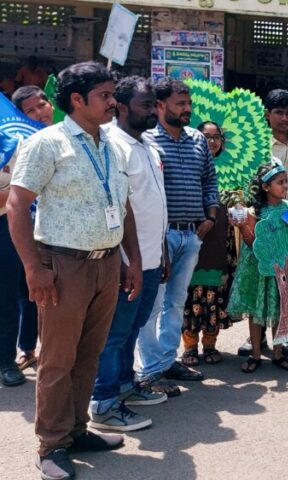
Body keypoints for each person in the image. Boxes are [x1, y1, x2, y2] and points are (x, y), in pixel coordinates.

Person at [7, 61, 141, 480]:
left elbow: (123, 206)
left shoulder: (114, 146)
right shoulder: (47, 143)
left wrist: (130, 259)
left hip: (105, 265)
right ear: (77, 100)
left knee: (88, 357)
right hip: (62, 265)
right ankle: (51, 443)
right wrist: (34, 267)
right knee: (58, 361)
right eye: (104, 95)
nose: (112, 102)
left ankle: (77, 429)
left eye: (112, 94)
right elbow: (16, 206)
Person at [89, 76, 169, 432]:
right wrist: (127, 262)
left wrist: (162, 250)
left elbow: (154, 202)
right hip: (126, 264)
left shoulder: (148, 146)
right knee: (114, 334)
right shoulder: (113, 146)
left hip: (151, 259)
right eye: (145, 105)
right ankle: (103, 402)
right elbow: (117, 208)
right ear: (121, 107)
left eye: (154, 104)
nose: (153, 111)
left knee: (133, 327)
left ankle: (123, 385)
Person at [137, 79, 218, 393]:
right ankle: (149, 370)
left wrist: (210, 216)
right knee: (153, 305)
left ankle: (167, 360)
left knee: (176, 303)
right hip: (159, 237)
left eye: (188, 103)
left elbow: (209, 181)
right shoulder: (146, 141)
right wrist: (156, 234)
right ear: (160, 105)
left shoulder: (198, 139)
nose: (187, 109)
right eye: (180, 104)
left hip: (191, 234)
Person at [229, 162, 288, 373]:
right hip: (259, 268)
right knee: (257, 311)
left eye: (286, 181)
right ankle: (255, 354)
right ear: (266, 187)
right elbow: (252, 243)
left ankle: (278, 353)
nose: (285, 185)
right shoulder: (253, 211)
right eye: (280, 182)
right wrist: (242, 227)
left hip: (283, 268)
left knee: (280, 309)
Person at [1, 86, 54, 378]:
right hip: (14, 227)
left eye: (42, 105)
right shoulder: (12, 143)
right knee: (13, 293)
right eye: (30, 111)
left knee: (44, 295)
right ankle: (11, 359)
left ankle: (40, 352)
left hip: (53, 232)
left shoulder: (67, 137)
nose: (39, 113)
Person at [183, 120, 237, 367]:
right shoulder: (189, 166)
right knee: (190, 294)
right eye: (206, 137)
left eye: (216, 138)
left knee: (214, 293)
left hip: (220, 242)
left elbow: (240, 201)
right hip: (195, 236)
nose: (212, 142)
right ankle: (190, 346)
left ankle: (210, 344)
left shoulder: (234, 170)